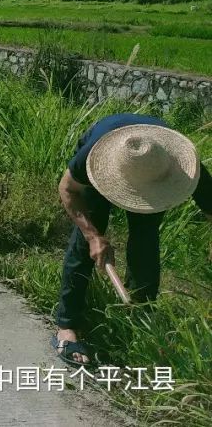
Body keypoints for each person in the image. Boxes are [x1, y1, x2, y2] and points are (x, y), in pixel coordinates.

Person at [52, 113, 212, 367]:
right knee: (87, 243)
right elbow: (67, 189)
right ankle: (67, 325)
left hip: (155, 176)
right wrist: (93, 235)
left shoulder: (182, 164)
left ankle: (139, 319)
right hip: (108, 164)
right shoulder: (92, 158)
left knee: (145, 241)